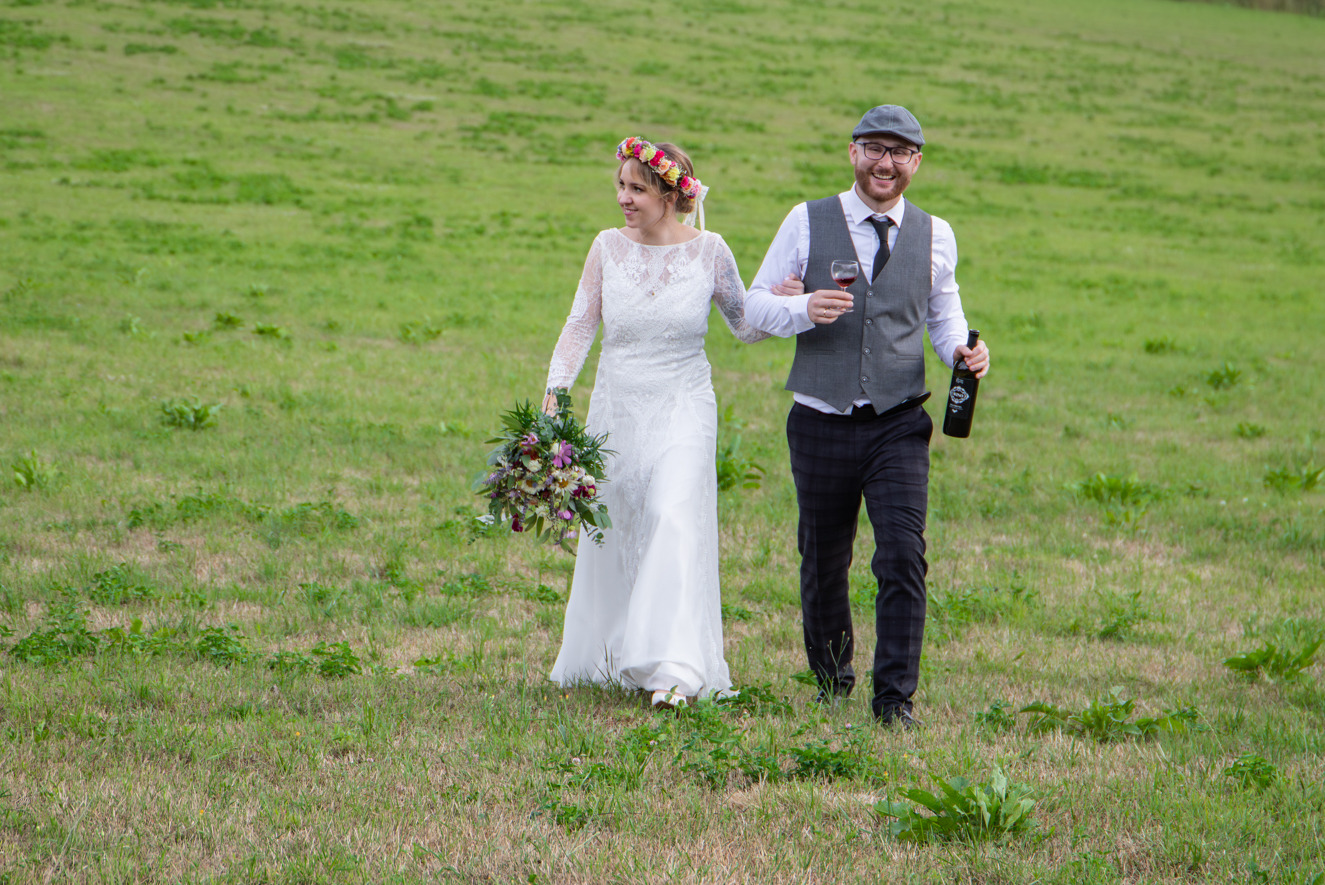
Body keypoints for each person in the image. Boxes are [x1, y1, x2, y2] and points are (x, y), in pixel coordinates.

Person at [746, 105, 991, 727]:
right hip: (821, 418)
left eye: (901, 152)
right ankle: (832, 681)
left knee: (903, 555)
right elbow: (751, 311)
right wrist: (802, 308)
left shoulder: (937, 234)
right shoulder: (806, 221)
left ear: (916, 163)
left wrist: (965, 351)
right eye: (876, 149)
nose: (887, 163)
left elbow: (942, 317)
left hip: (898, 421)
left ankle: (894, 701)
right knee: (824, 559)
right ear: (853, 152)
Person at [542, 136, 779, 709]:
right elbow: (580, 325)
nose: (624, 198)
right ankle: (613, 650)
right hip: (617, 405)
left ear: (672, 194)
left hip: (684, 404)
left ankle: (672, 670)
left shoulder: (711, 251)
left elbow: (745, 325)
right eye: (621, 187)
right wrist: (555, 391)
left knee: (672, 514)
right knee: (618, 524)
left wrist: (789, 306)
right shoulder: (605, 248)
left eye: (637, 189)